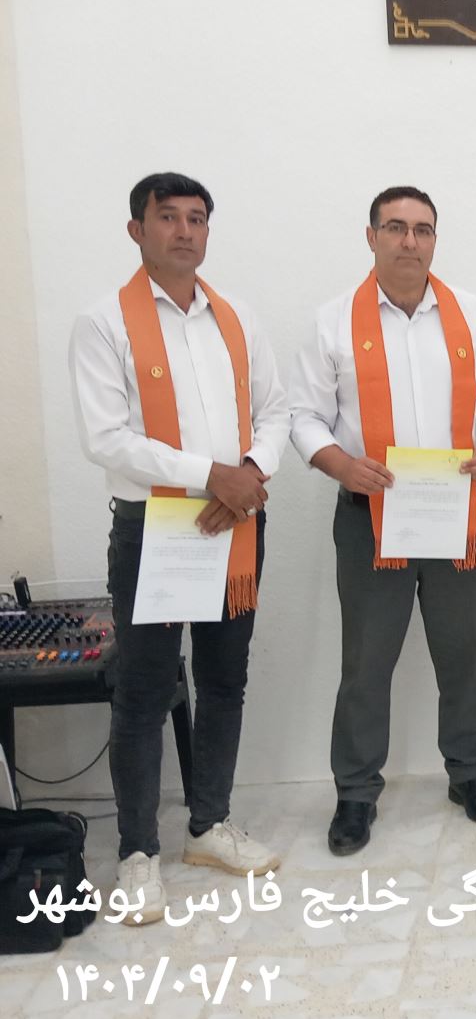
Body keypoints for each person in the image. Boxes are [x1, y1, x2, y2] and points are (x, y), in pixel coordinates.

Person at [69, 172, 289, 923]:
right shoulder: (104, 322)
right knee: (144, 690)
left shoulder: (236, 318)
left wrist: (249, 472)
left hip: (237, 520)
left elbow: (275, 409)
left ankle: (208, 825)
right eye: (168, 217)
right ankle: (138, 854)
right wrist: (210, 475)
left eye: (197, 218)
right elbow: (106, 438)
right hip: (155, 528)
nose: (185, 231)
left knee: (225, 680)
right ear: (137, 229)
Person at [291, 186, 476, 855]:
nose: (409, 241)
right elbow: (303, 416)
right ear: (371, 237)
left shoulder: (471, 315)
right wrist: (341, 464)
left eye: (422, 229)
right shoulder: (333, 322)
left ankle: (470, 774)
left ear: (435, 240)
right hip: (370, 515)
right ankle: (356, 793)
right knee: (366, 660)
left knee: (462, 650)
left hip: (457, 510)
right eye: (395, 227)